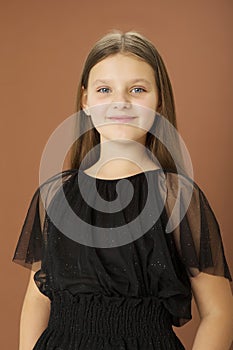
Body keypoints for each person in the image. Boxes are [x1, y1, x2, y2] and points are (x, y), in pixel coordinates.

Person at [12, 30, 233, 350]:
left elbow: (219, 312)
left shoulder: (176, 197)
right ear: (86, 100)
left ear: (159, 101)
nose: (121, 102)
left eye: (138, 89)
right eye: (105, 89)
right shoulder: (55, 196)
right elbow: (37, 298)